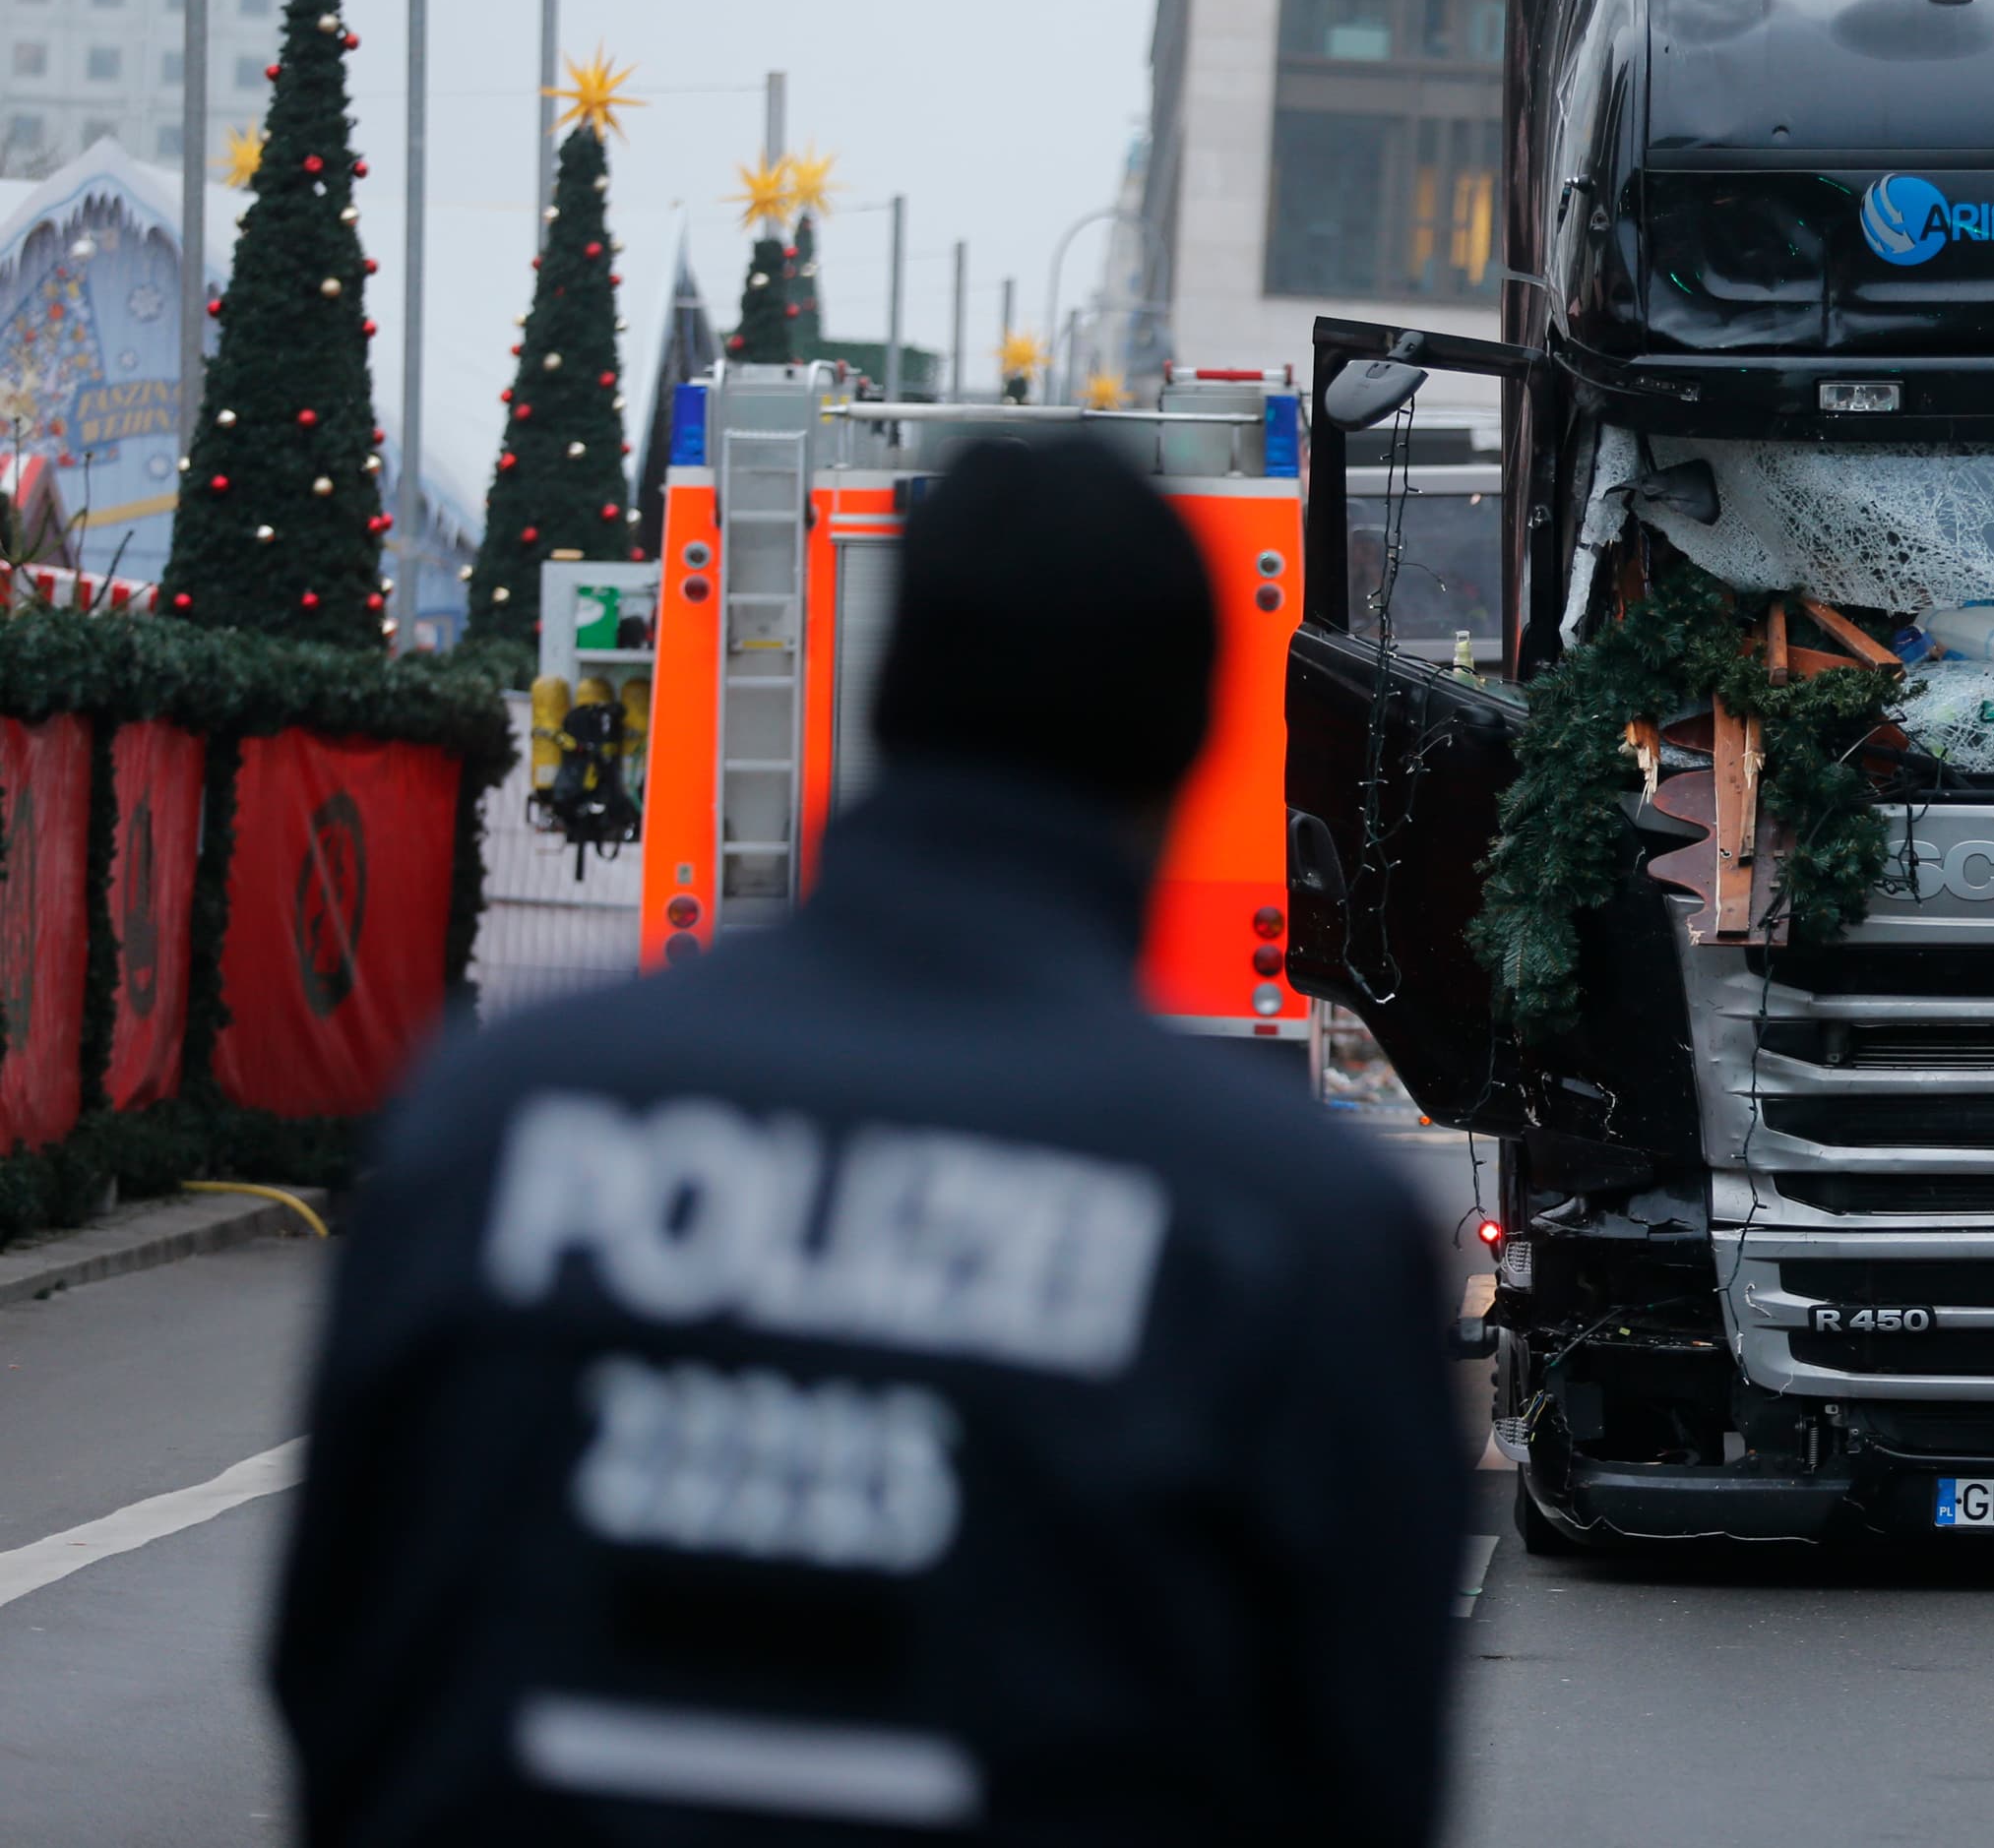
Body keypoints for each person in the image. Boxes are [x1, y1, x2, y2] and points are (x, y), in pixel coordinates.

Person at [268, 437, 1464, 1842]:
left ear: (886, 693)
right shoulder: (1290, 1231)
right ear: (1198, 746)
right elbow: (1357, 1776)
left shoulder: (492, 1125)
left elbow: (341, 1672)